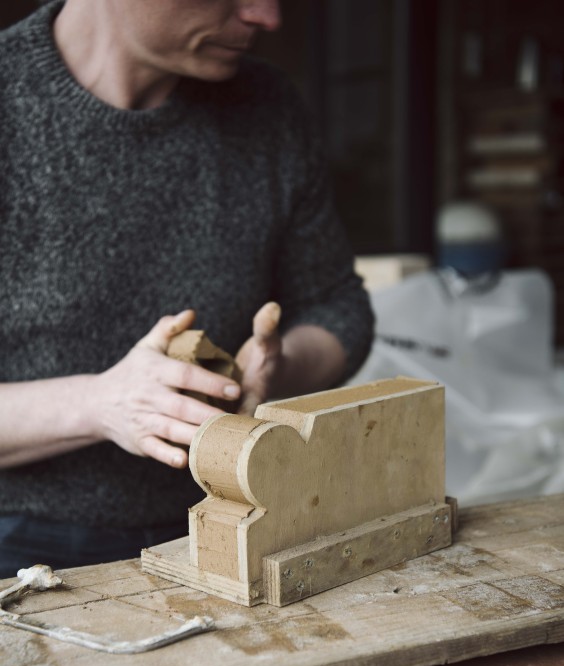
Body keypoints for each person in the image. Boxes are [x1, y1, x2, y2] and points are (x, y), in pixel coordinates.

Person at [0, 0, 374, 577]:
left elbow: (338, 305)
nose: (267, 17)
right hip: (21, 544)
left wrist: (283, 371)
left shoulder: (268, 106)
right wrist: (102, 404)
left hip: (239, 510)